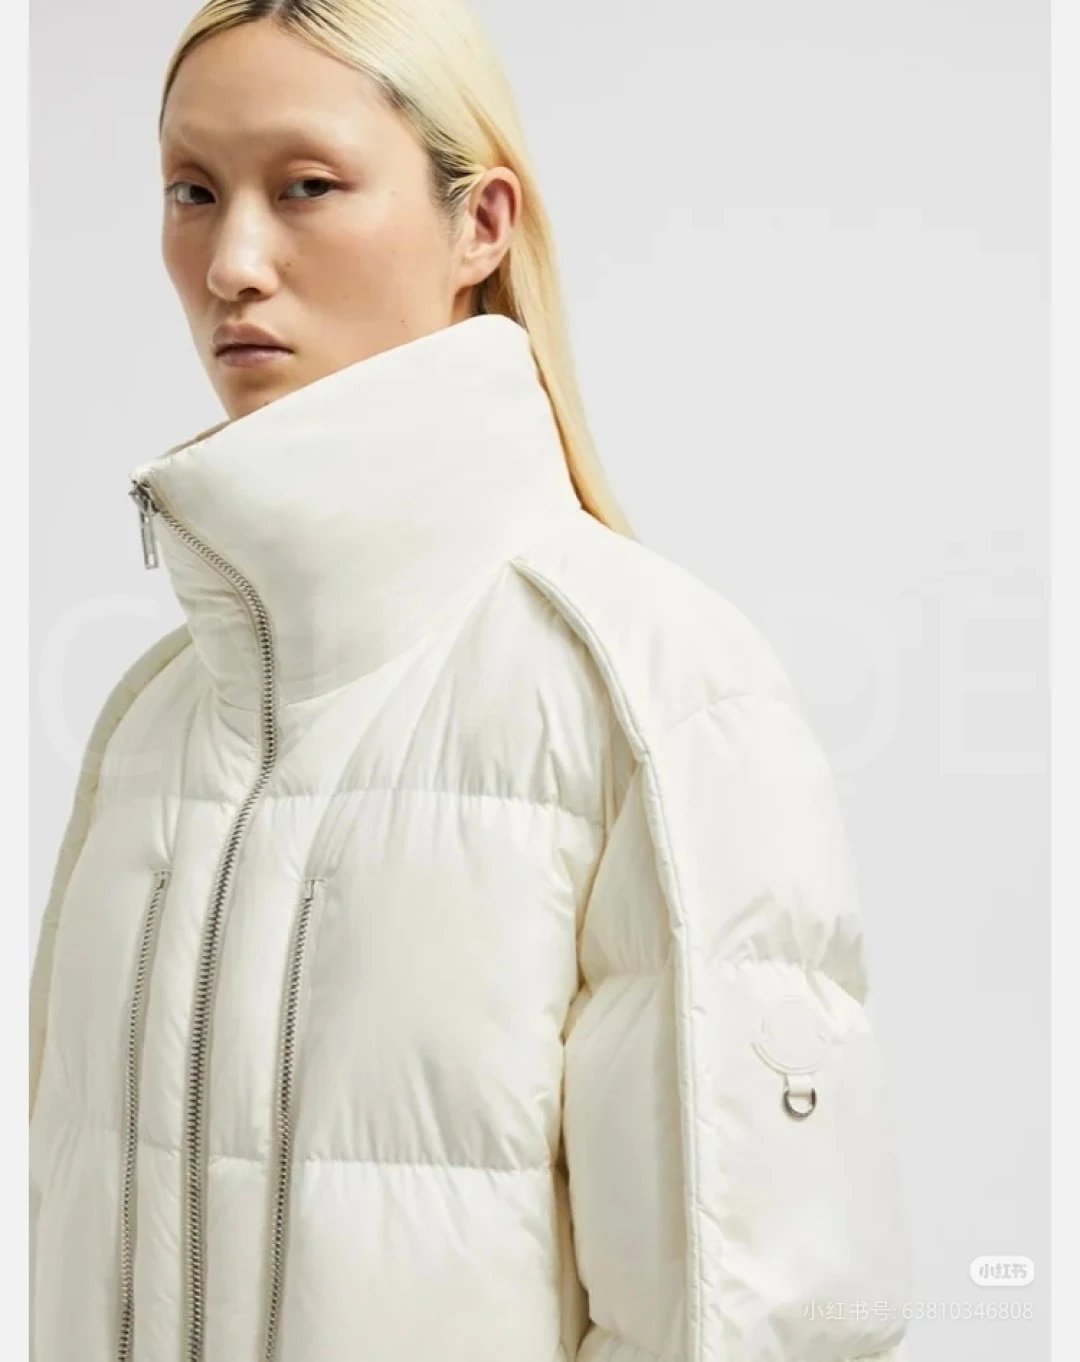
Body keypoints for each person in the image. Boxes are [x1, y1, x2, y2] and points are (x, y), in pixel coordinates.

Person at [28, 2, 915, 1360]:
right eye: (192, 192)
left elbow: (752, 1319)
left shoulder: (651, 689)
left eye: (306, 186)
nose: (232, 264)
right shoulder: (155, 719)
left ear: (480, 225)